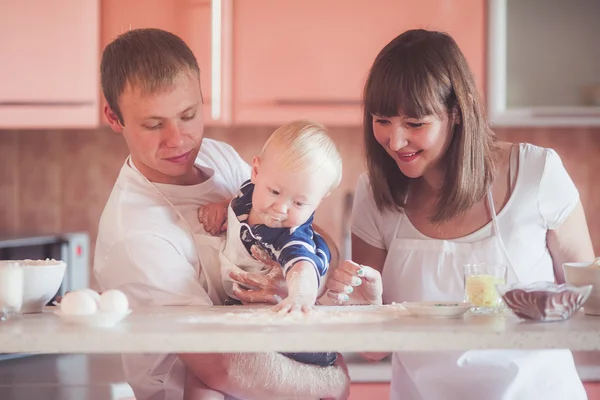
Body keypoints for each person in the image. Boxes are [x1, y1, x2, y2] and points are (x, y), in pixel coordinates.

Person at [326, 29, 595, 400]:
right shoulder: (376, 195)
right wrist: (355, 307)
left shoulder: (536, 174)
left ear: (457, 110)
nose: (395, 140)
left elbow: (590, 311)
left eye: (415, 123)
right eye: (382, 120)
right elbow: (374, 348)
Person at [93, 28, 349, 400]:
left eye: (188, 115)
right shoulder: (135, 234)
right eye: (153, 124)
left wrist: (296, 279)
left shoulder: (219, 157)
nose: (178, 139)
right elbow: (223, 366)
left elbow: (311, 235)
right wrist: (332, 381)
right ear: (114, 118)